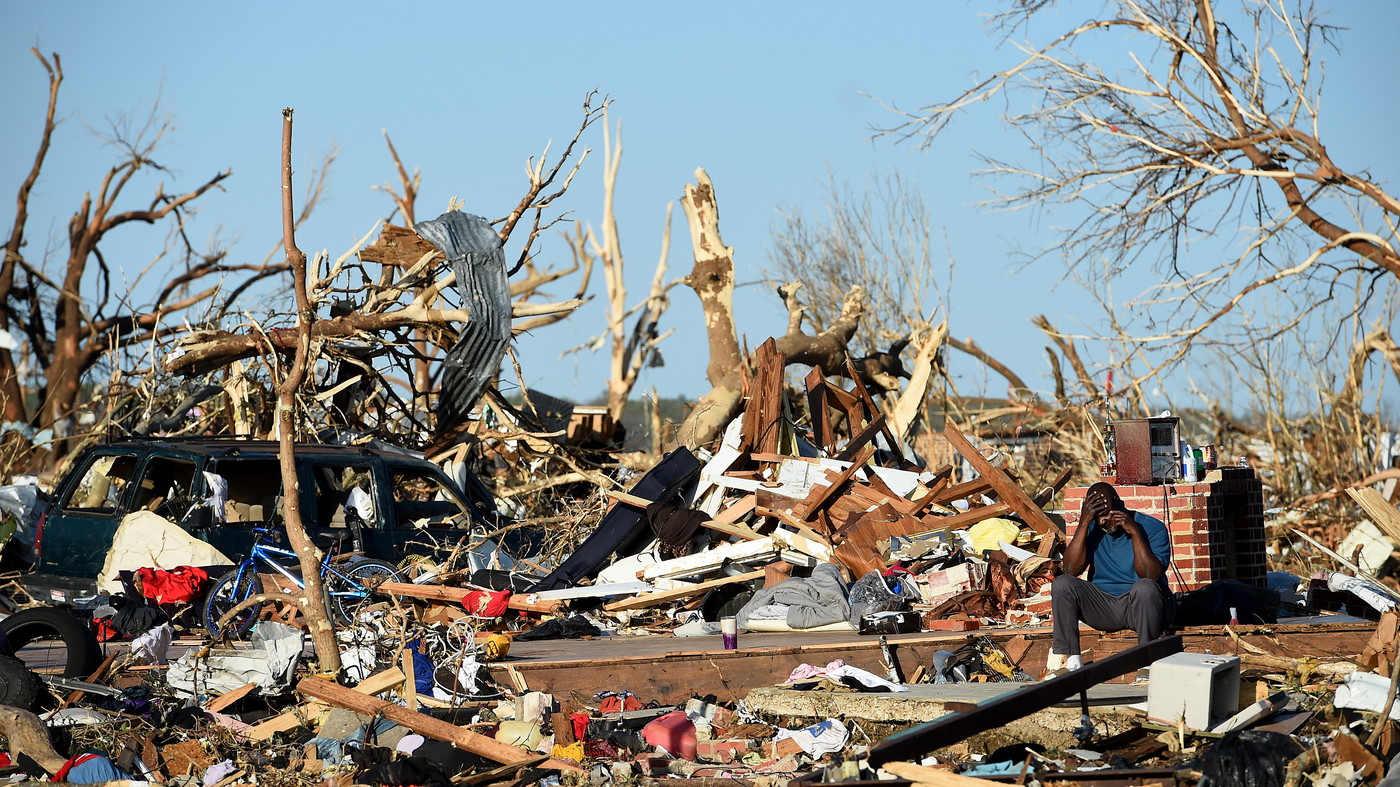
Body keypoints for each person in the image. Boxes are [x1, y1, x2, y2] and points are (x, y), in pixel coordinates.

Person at [1048, 482, 1175, 672]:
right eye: (1097, 516)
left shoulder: (1152, 528)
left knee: (1145, 587)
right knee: (1062, 584)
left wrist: (1134, 531)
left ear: (1118, 503)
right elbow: (1071, 569)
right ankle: (1073, 662)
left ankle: (1146, 662)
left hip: (1143, 607)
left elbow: (1150, 575)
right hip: (1104, 607)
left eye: (1106, 514)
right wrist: (1084, 522)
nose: (1102, 522)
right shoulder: (1091, 527)